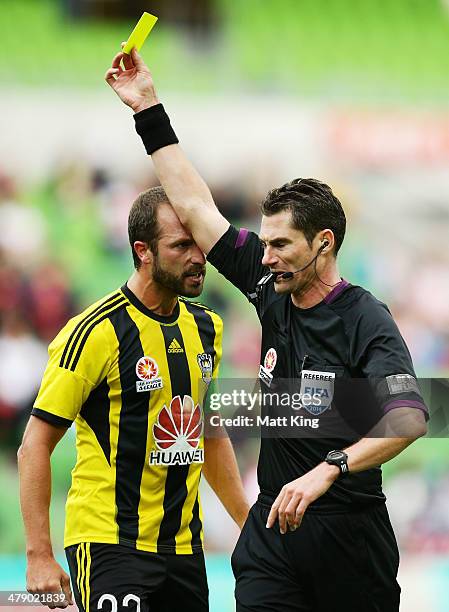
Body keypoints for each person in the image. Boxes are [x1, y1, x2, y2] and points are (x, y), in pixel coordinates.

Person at [105, 47, 430, 612]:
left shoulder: (365, 320)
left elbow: (409, 418)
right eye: (266, 241)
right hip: (274, 539)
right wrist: (147, 107)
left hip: (349, 538)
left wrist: (330, 469)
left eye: (282, 244)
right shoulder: (269, 285)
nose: (268, 255)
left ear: (323, 244)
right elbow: (195, 205)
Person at [18, 186, 249, 612]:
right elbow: (34, 444)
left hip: (184, 551)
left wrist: (247, 525)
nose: (199, 256)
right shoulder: (93, 332)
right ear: (143, 251)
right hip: (110, 544)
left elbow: (208, 434)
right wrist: (39, 555)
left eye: (200, 243)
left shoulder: (207, 328)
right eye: (182, 245)